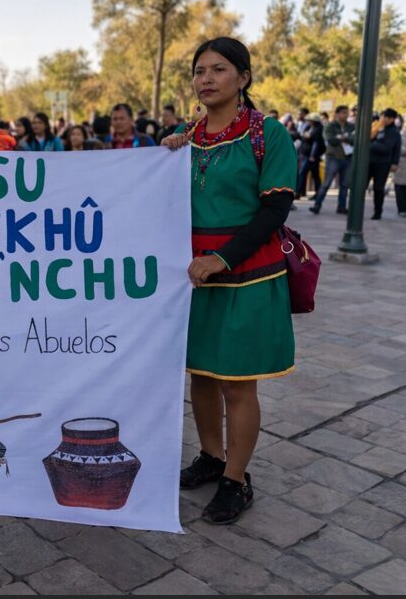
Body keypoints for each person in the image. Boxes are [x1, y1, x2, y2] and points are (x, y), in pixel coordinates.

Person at [162, 37, 295, 524]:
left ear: (243, 77)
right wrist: (162, 157)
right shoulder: (185, 135)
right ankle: (211, 456)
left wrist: (222, 256)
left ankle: (237, 479)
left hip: (248, 276)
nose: (206, 79)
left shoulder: (268, 133)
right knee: (201, 376)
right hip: (193, 279)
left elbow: (275, 209)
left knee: (237, 384)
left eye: (218, 69)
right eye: (199, 71)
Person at [310, 105, 355, 214]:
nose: (346, 115)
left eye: (347, 112)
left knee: (344, 184)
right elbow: (330, 139)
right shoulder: (330, 125)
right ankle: (317, 205)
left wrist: (342, 137)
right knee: (327, 183)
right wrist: (343, 138)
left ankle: (342, 207)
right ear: (337, 114)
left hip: (347, 157)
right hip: (333, 157)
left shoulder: (351, 126)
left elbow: (354, 139)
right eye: (343, 112)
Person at [368, 108, 402, 219]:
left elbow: (390, 148)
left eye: (385, 117)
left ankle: (378, 211)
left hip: (383, 163)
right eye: (382, 116)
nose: (383, 119)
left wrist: (394, 163)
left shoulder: (393, 132)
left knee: (378, 188)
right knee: (361, 185)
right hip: (370, 160)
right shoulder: (376, 128)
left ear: (391, 119)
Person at [295, 113, 324, 200]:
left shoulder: (318, 129)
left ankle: (298, 192)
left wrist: (312, 155)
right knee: (313, 174)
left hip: (311, 156)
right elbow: (302, 135)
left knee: (303, 173)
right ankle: (304, 192)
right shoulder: (308, 127)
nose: (308, 121)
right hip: (304, 153)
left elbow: (316, 143)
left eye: (309, 120)